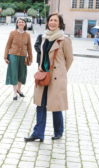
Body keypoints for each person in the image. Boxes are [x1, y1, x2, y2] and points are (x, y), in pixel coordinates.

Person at [24, 13, 73, 142]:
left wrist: (61, 72)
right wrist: (40, 67)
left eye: (55, 20)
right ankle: (38, 133)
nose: (52, 22)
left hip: (56, 77)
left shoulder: (64, 40)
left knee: (55, 106)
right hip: (43, 75)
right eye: (50, 20)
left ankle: (58, 131)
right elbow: (41, 55)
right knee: (40, 104)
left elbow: (69, 59)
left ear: (60, 23)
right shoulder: (44, 37)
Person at [4, 18, 32, 101]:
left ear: (25, 24)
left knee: (22, 73)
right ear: (17, 24)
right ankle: (14, 93)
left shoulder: (27, 35)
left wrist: (30, 58)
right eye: (19, 22)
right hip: (13, 55)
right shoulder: (12, 33)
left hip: (23, 56)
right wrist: (5, 57)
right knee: (14, 73)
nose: (21, 23)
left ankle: (19, 89)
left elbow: (29, 47)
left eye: (22, 22)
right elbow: (8, 45)